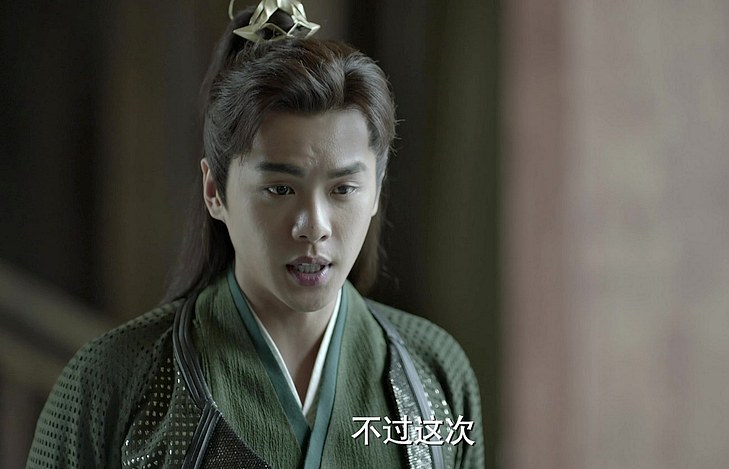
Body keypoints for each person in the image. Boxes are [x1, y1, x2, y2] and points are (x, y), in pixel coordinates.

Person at [26, 1, 483, 468]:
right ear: (214, 191)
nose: (314, 226)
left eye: (343, 189)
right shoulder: (114, 381)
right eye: (280, 189)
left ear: (376, 192)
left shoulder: (432, 373)